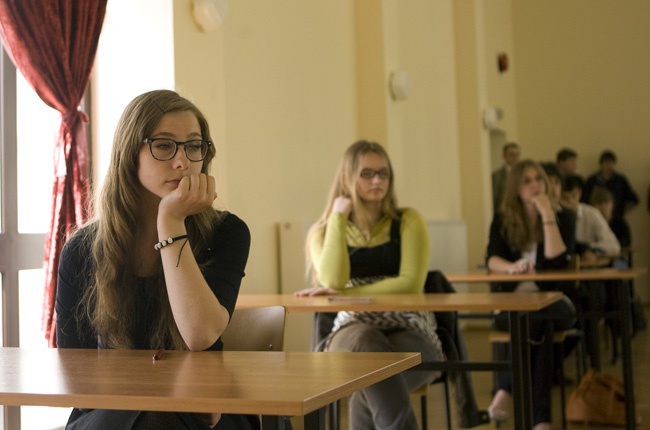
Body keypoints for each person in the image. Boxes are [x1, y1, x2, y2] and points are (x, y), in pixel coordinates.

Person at [55, 90, 255, 430]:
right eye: (164, 145)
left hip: (205, 405)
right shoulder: (82, 249)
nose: (183, 161)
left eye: (194, 145)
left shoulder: (228, 232)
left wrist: (171, 223)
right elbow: (76, 373)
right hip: (110, 407)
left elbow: (200, 334)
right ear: (129, 153)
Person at [295, 140, 486, 430]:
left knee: (368, 383)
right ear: (347, 177)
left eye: (384, 174)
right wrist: (337, 217)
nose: (377, 181)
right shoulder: (323, 231)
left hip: (411, 328)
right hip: (350, 332)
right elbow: (332, 279)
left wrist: (346, 293)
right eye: (367, 173)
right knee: (367, 343)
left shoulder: (408, 221)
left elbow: (410, 285)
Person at [485, 159, 577, 430]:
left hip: (555, 302)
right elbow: (492, 259)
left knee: (537, 317)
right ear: (515, 187)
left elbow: (557, 261)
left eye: (538, 179)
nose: (535, 184)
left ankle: (505, 388)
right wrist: (512, 268)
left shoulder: (565, 217)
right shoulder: (502, 220)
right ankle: (541, 420)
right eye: (527, 180)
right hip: (513, 303)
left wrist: (548, 215)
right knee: (539, 329)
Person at [582, 150, 638, 247]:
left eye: (611, 163)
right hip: (593, 218)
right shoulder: (592, 180)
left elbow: (633, 199)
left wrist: (622, 210)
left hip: (616, 216)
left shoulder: (620, 180)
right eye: (606, 162)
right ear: (601, 164)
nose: (609, 165)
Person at [492, 142, 521, 212]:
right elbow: (495, 199)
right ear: (504, 157)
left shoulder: (523, 174)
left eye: (517, 154)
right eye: (511, 154)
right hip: (503, 212)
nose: (515, 157)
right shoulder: (497, 176)